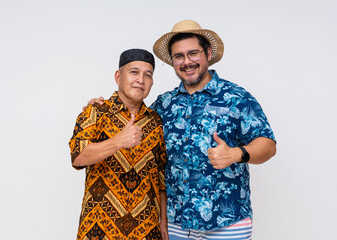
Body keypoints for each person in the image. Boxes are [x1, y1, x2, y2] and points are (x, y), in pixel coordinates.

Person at [87, 20, 276, 239]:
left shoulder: (237, 97)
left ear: (207, 53)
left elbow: (268, 145)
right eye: (179, 56)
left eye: (193, 53)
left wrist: (237, 153)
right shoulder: (164, 104)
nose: (186, 62)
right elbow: (129, 120)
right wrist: (102, 108)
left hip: (227, 223)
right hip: (177, 224)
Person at [69, 49, 168, 240]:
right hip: (99, 229)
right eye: (134, 72)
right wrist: (117, 141)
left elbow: (161, 177)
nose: (141, 79)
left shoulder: (156, 121)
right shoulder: (95, 112)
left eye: (148, 75)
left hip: (146, 229)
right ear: (118, 76)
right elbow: (78, 157)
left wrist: (163, 221)